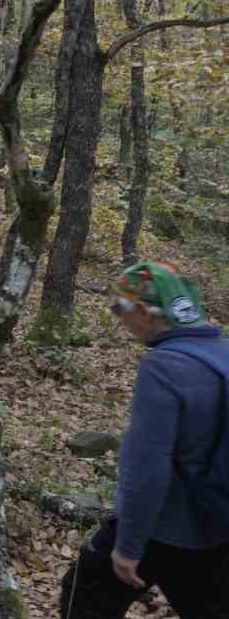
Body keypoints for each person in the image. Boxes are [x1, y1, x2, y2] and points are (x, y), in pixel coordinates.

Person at [58, 261, 229, 618]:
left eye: (121, 308)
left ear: (148, 312)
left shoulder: (163, 367)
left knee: (86, 592)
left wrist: (129, 545)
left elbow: (147, 467)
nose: (120, 319)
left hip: (166, 525)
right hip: (218, 523)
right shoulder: (224, 354)